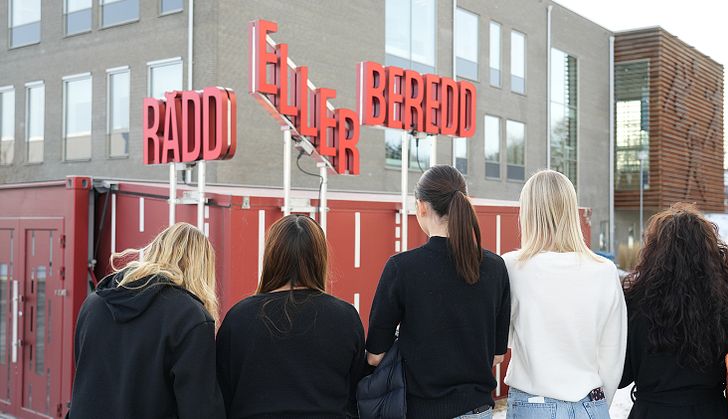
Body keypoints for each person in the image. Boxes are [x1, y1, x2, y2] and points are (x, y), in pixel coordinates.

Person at [366, 165, 511, 419]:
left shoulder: (402, 268)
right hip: (478, 410)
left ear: (422, 207)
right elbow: (497, 356)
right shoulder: (495, 267)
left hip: (421, 410)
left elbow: (375, 357)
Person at [503, 170, 626, 419]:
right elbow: (612, 354)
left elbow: (502, 340)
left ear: (527, 212)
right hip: (591, 404)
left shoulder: (512, 266)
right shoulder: (604, 270)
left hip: (533, 403)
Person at [68, 223, 225, 419]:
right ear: (203, 268)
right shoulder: (191, 318)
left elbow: (83, 375)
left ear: (155, 251)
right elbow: (199, 407)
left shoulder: (95, 303)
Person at [216, 215, 366, 418]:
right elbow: (355, 391)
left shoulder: (239, 317)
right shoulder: (346, 317)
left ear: (271, 256)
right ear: (319, 258)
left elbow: (222, 391)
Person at [620, 203, 728, 419]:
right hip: (711, 411)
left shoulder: (634, 303)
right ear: (711, 253)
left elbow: (622, 375)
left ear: (654, 252)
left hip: (652, 412)